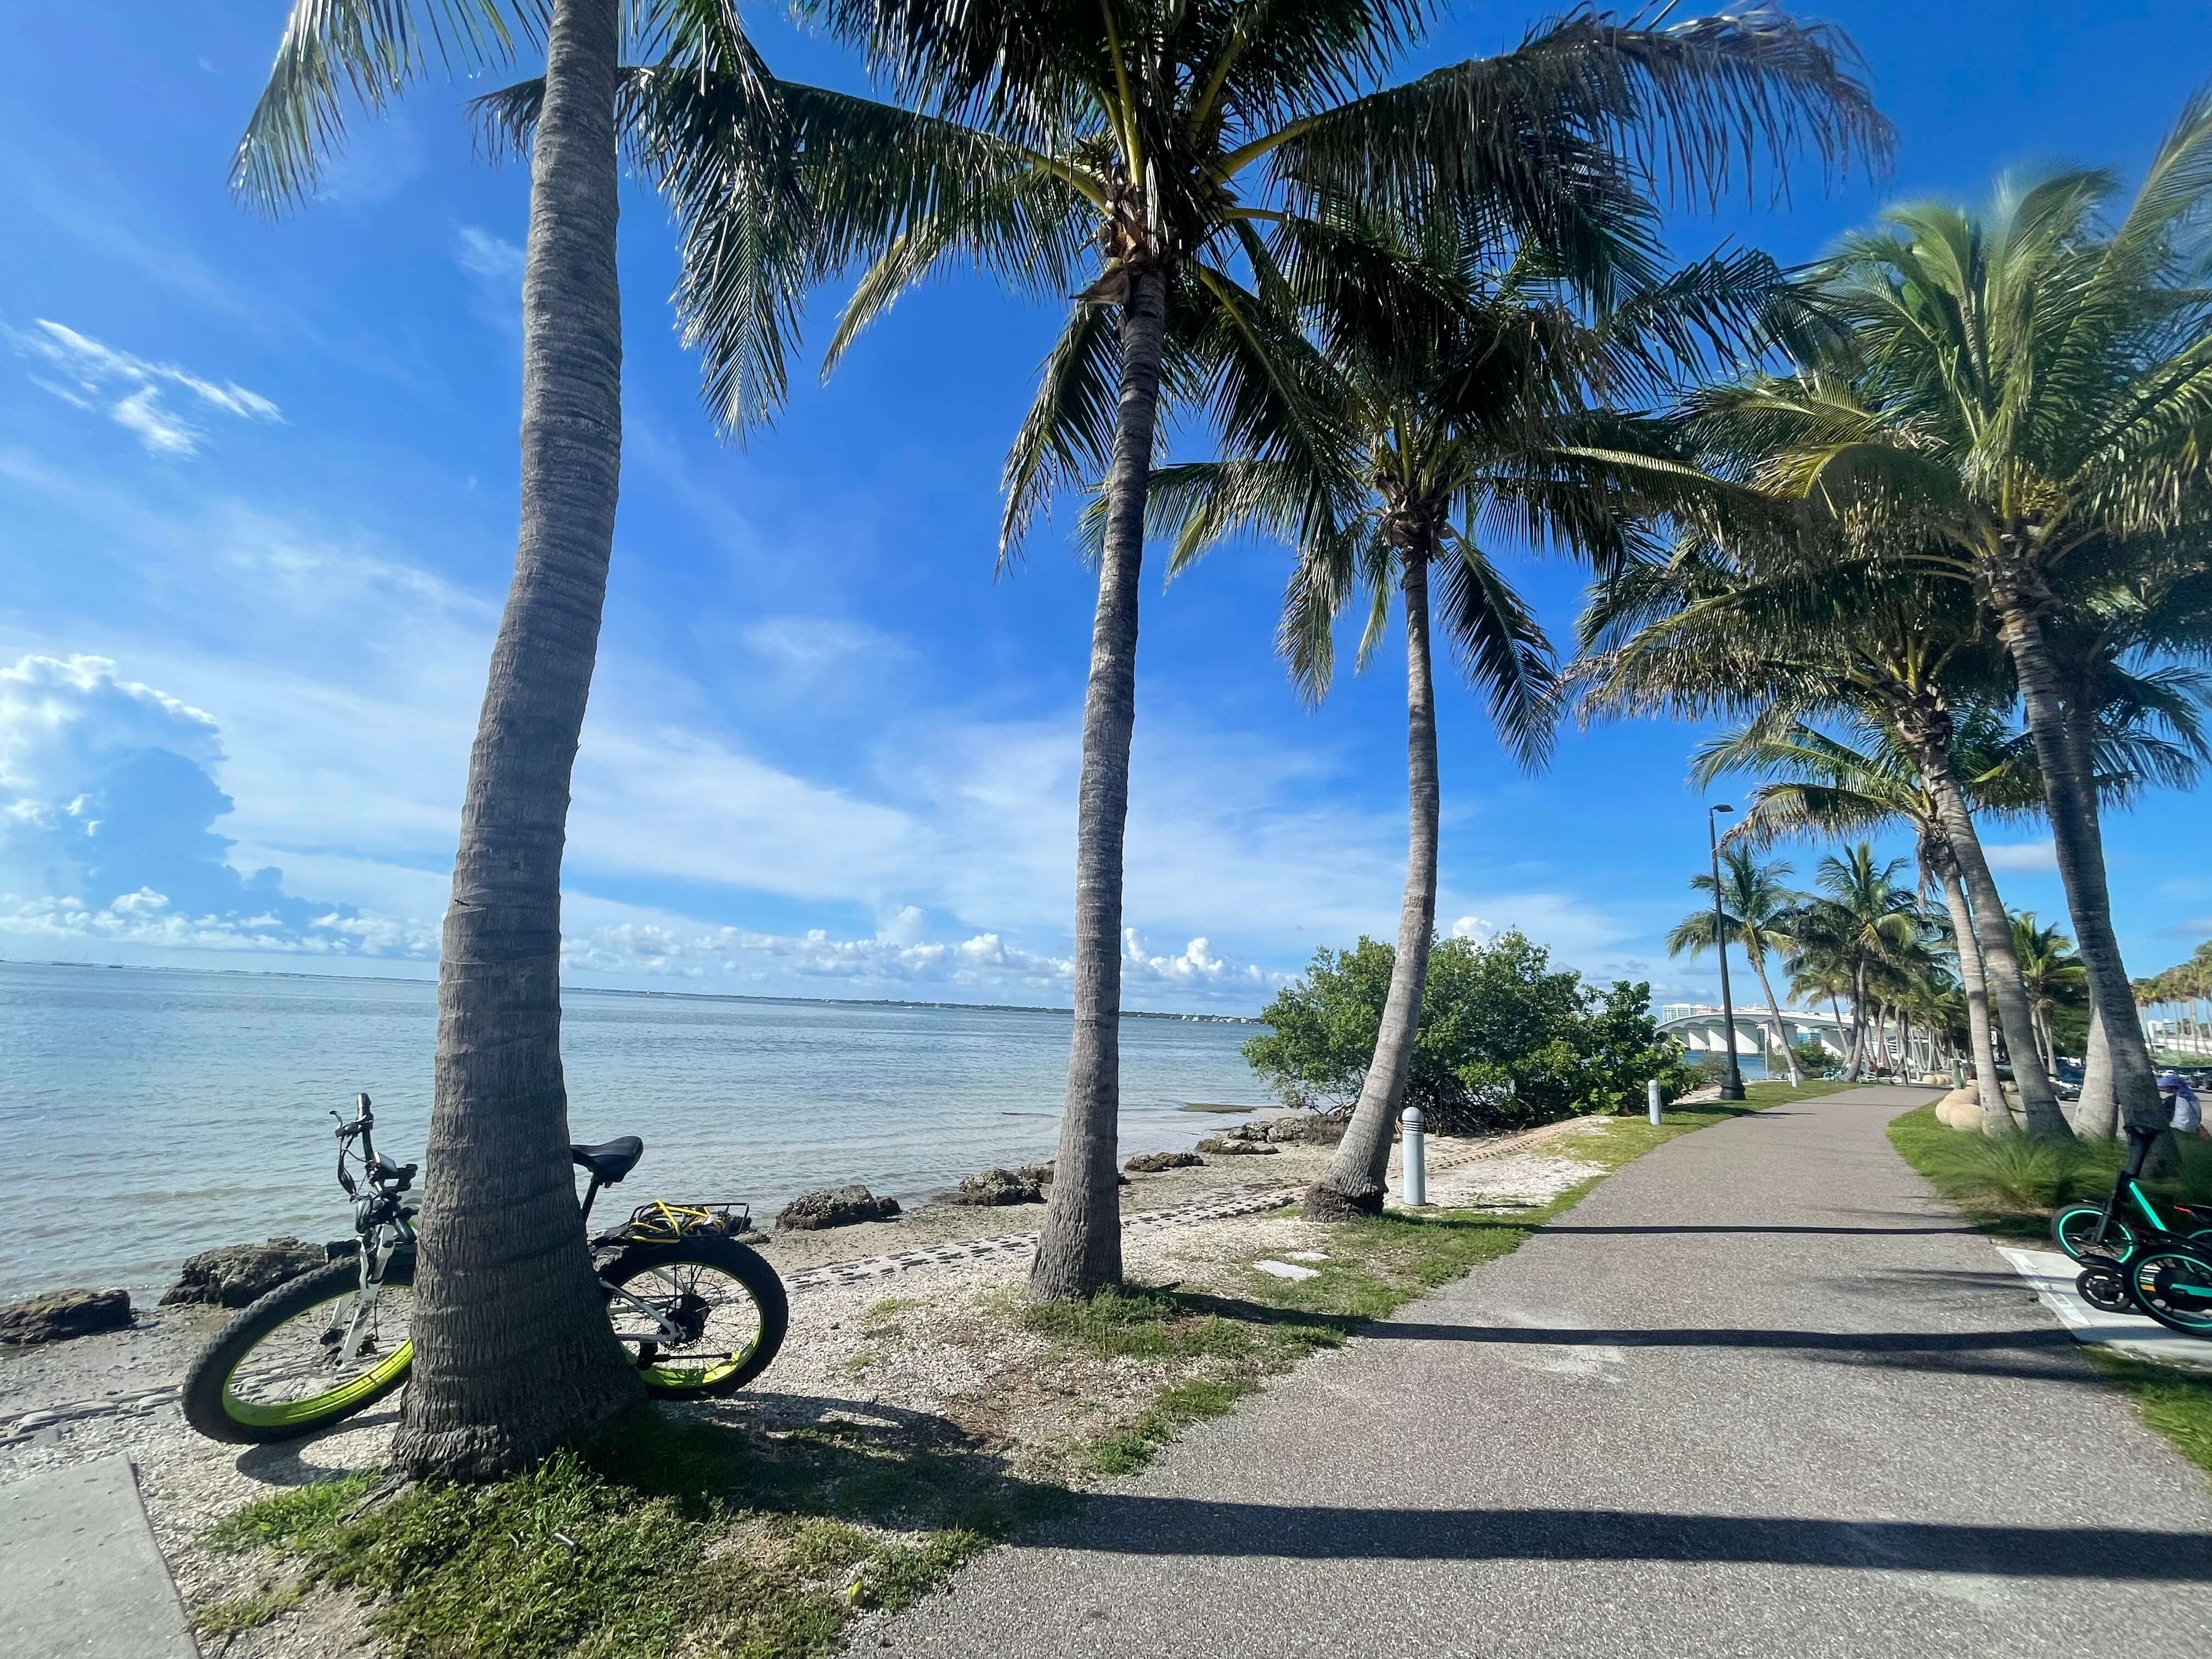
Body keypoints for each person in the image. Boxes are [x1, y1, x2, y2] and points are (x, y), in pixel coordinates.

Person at [2158, 1071, 2207, 1138]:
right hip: (2193, 1126)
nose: (2164, 1089)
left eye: (2167, 1087)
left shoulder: (2174, 1099)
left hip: (2180, 1126)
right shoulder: (2192, 1096)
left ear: (2174, 1088)